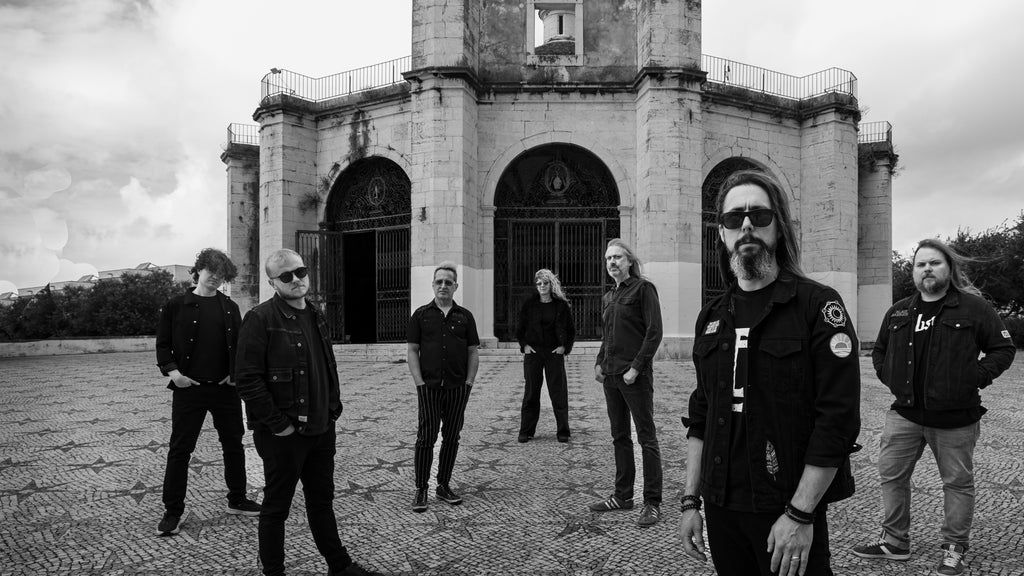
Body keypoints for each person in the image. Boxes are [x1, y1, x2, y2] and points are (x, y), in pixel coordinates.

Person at [678, 170, 861, 576]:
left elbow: (838, 420)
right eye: (733, 218)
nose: (746, 225)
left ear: (779, 226)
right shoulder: (711, 316)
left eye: (759, 216)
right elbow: (701, 414)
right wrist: (691, 502)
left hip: (785, 507)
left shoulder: (818, 306)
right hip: (722, 507)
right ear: (721, 233)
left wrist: (800, 514)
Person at [852, 238, 1016, 576]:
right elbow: (880, 350)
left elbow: (1003, 349)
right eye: (920, 264)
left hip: (956, 418)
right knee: (891, 476)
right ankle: (895, 541)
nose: (927, 269)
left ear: (948, 268)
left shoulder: (973, 308)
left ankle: (954, 548)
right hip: (905, 413)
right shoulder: (899, 310)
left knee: (957, 483)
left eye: (934, 263)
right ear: (913, 272)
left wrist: (974, 378)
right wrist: (890, 377)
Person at [235, 249, 378, 576]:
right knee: (276, 508)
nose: (296, 280)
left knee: (321, 502)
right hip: (284, 434)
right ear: (272, 282)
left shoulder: (316, 314)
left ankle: (339, 567)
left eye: (300, 272)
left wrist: (332, 410)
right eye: (286, 276)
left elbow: (325, 365)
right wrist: (279, 426)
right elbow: (247, 380)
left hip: (321, 428)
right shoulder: (260, 318)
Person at [155, 248, 260, 536]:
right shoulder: (176, 305)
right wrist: (175, 375)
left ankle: (237, 499)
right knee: (180, 450)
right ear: (198, 270)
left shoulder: (229, 307)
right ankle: (173, 511)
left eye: (221, 274)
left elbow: (240, 346)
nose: (215, 277)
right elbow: (163, 344)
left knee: (233, 445)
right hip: (189, 389)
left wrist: (234, 374)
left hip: (225, 390)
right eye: (211, 271)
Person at [590, 238, 665, 527]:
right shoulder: (609, 296)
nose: (612, 262)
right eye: (608, 258)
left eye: (617, 257)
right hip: (611, 376)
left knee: (646, 438)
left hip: (634, 377)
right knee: (619, 436)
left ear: (630, 261)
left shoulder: (643, 289)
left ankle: (652, 502)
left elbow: (654, 332)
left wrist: (636, 368)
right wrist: (599, 362)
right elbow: (607, 335)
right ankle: (623, 496)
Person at [407, 261, 480, 513]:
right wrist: (419, 383)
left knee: (451, 437)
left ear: (455, 286)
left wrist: (469, 382)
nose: (443, 286)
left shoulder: (465, 317)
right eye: (439, 281)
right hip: (428, 387)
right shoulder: (420, 315)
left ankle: (443, 485)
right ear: (433, 284)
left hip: (457, 387)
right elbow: (412, 350)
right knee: (426, 437)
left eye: (448, 282)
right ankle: (421, 488)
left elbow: (473, 352)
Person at [515, 268, 576, 443]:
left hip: (553, 352)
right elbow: (519, 328)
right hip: (533, 353)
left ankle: (563, 431)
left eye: (545, 283)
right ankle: (526, 431)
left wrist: (564, 347)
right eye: (538, 283)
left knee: (558, 392)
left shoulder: (561, 305)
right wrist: (524, 345)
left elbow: (570, 330)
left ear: (551, 284)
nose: (542, 286)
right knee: (531, 392)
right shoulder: (529, 304)